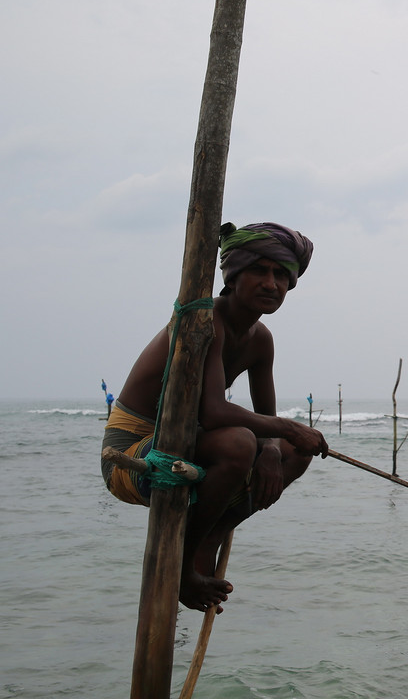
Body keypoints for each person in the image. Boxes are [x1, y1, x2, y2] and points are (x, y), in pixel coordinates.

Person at [101, 222, 329, 613]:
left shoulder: (261, 339)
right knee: (242, 441)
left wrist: (276, 448)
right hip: (135, 454)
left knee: (295, 451)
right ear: (233, 274)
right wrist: (288, 428)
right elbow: (214, 410)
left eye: (281, 275)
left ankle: (216, 529)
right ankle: (183, 569)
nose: (271, 283)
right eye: (259, 270)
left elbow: (266, 416)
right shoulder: (205, 320)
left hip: (191, 441)